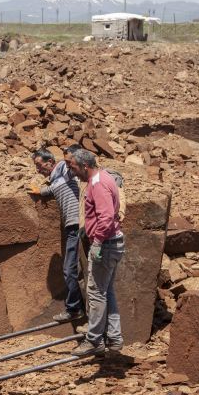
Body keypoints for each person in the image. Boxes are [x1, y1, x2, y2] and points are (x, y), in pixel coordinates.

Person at [66, 149, 125, 357]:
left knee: (96, 293)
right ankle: (114, 338)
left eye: (73, 167)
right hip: (112, 242)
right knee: (107, 291)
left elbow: (106, 216)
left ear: (85, 166)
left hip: (106, 244)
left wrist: (98, 242)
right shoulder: (103, 177)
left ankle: (94, 340)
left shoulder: (98, 183)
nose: (72, 172)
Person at [28, 149, 84, 322]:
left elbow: (73, 168)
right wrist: (41, 191)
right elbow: (53, 188)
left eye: (39, 165)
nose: (38, 169)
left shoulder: (62, 168)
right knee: (75, 269)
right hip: (73, 227)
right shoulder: (56, 178)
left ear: (50, 161)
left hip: (77, 225)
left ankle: (74, 309)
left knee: (69, 270)